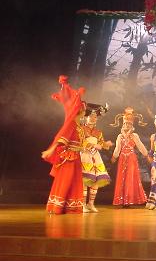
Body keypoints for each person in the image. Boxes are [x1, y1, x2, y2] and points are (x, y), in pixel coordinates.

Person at [41, 75, 85, 214]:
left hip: (76, 156)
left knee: (74, 181)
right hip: (69, 156)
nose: (84, 114)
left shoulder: (79, 126)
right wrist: (51, 150)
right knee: (65, 179)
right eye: (83, 111)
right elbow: (61, 137)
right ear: (80, 111)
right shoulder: (71, 124)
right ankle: (57, 206)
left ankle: (67, 206)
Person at [110, 107, 149, 206]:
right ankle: (122, 200)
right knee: (122, 177)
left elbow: (140, 146)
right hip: (122, 158)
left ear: (131, 125)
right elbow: (117, 148)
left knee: (130, 177)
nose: (126, 125)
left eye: (128, 124)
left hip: (131, 158)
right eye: (125, 124)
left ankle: (130, 200)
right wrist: (114, 156)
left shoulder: (134, 135)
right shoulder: (120, 136)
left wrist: (146, 155)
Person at [80, 103, 113, 213]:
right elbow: (81, 142)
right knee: (84, 181)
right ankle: (83, 204)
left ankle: (91, 204)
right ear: (86, 117)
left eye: (95, 117)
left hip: (95, 157)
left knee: (96, 181)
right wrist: (93, 145)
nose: (94, 119)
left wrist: (106, 144)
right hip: (84, 156)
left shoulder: (98, 132)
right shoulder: (81, 129)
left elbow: (101, 143)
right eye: (91, 116)